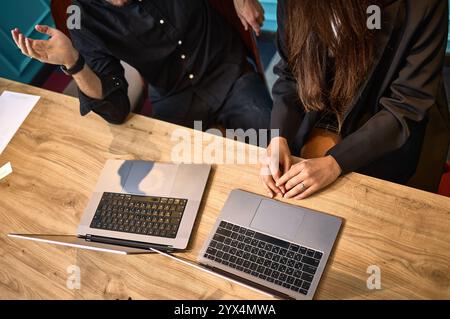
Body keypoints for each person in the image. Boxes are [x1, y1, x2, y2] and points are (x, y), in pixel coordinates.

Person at [262, 0, 450, 199]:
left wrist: (336, 162)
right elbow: (291, 73)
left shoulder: (424, 5)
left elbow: (407, 104)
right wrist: (279, 136)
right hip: (321, 104)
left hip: (384, 120)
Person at [11, 0, 272, 134]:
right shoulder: (78, 16)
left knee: (280, 146)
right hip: (173, 95)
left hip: (227, 69)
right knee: (174, 192)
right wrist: (74, 63)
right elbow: (116, 110)